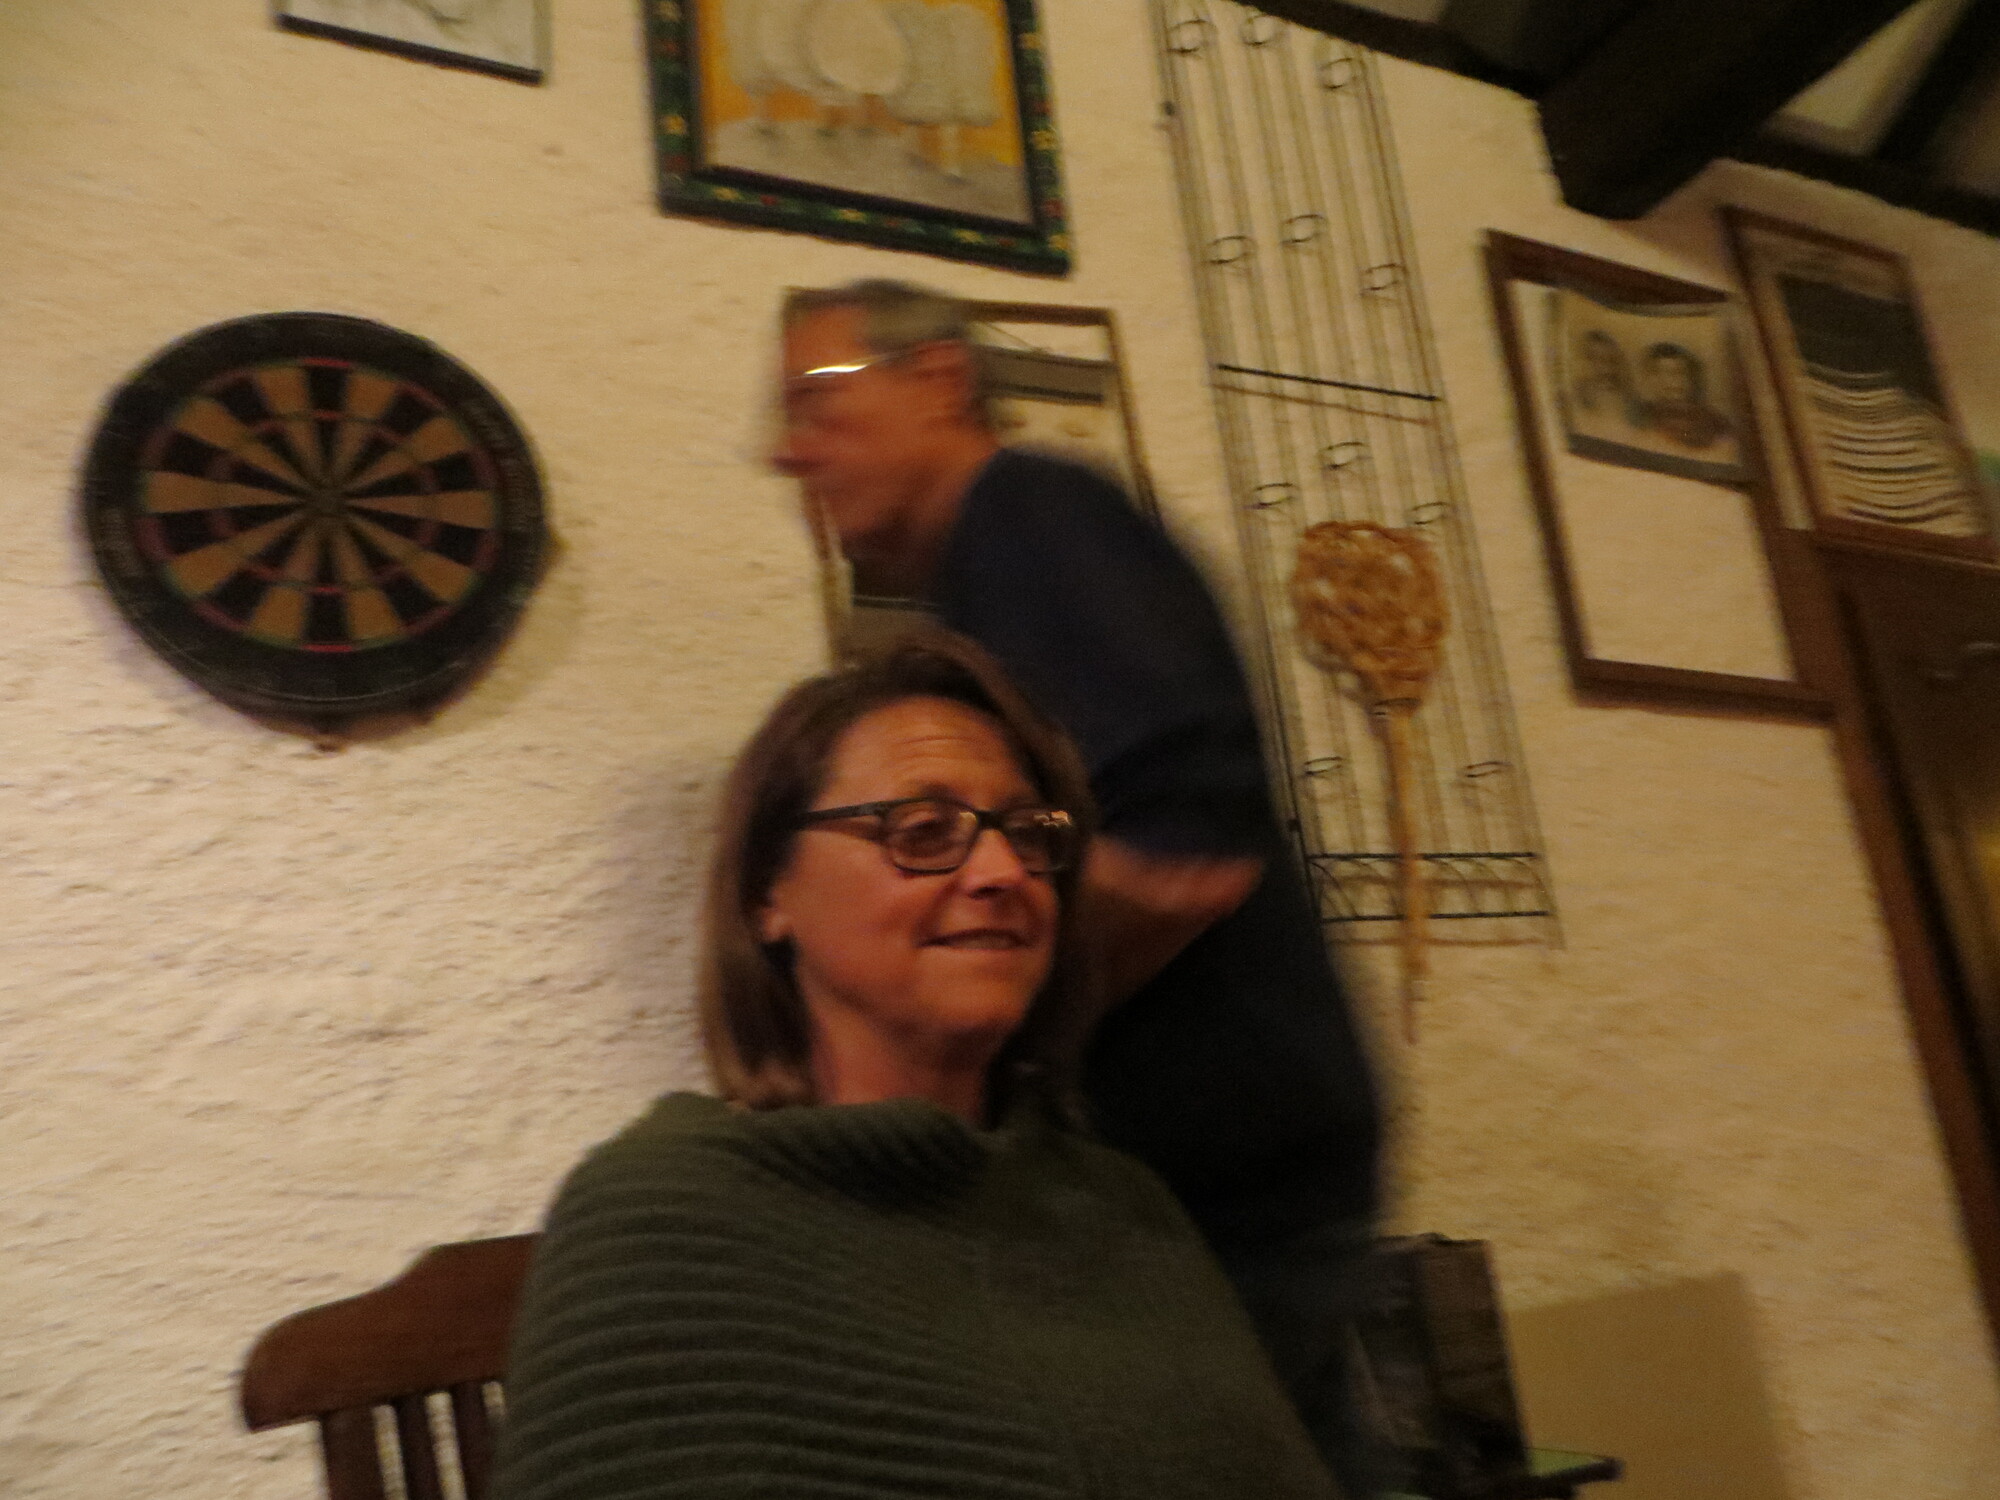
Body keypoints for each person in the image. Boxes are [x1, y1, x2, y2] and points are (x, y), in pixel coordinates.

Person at [772, 280, 1383, 1491]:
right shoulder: (981, 578)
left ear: (938, 380)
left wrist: (961, 1050)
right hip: (1205, 1172)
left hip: (1219, 1177)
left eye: (815, 399)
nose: (789, 449)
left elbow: (1179, 856)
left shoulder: (1031, 517)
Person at [491, 634, 1342, 1500]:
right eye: (924, 830)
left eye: (1028, 833)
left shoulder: (1123, 1206)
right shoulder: (664, 1217)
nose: (1004, 872)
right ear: (767, 894)